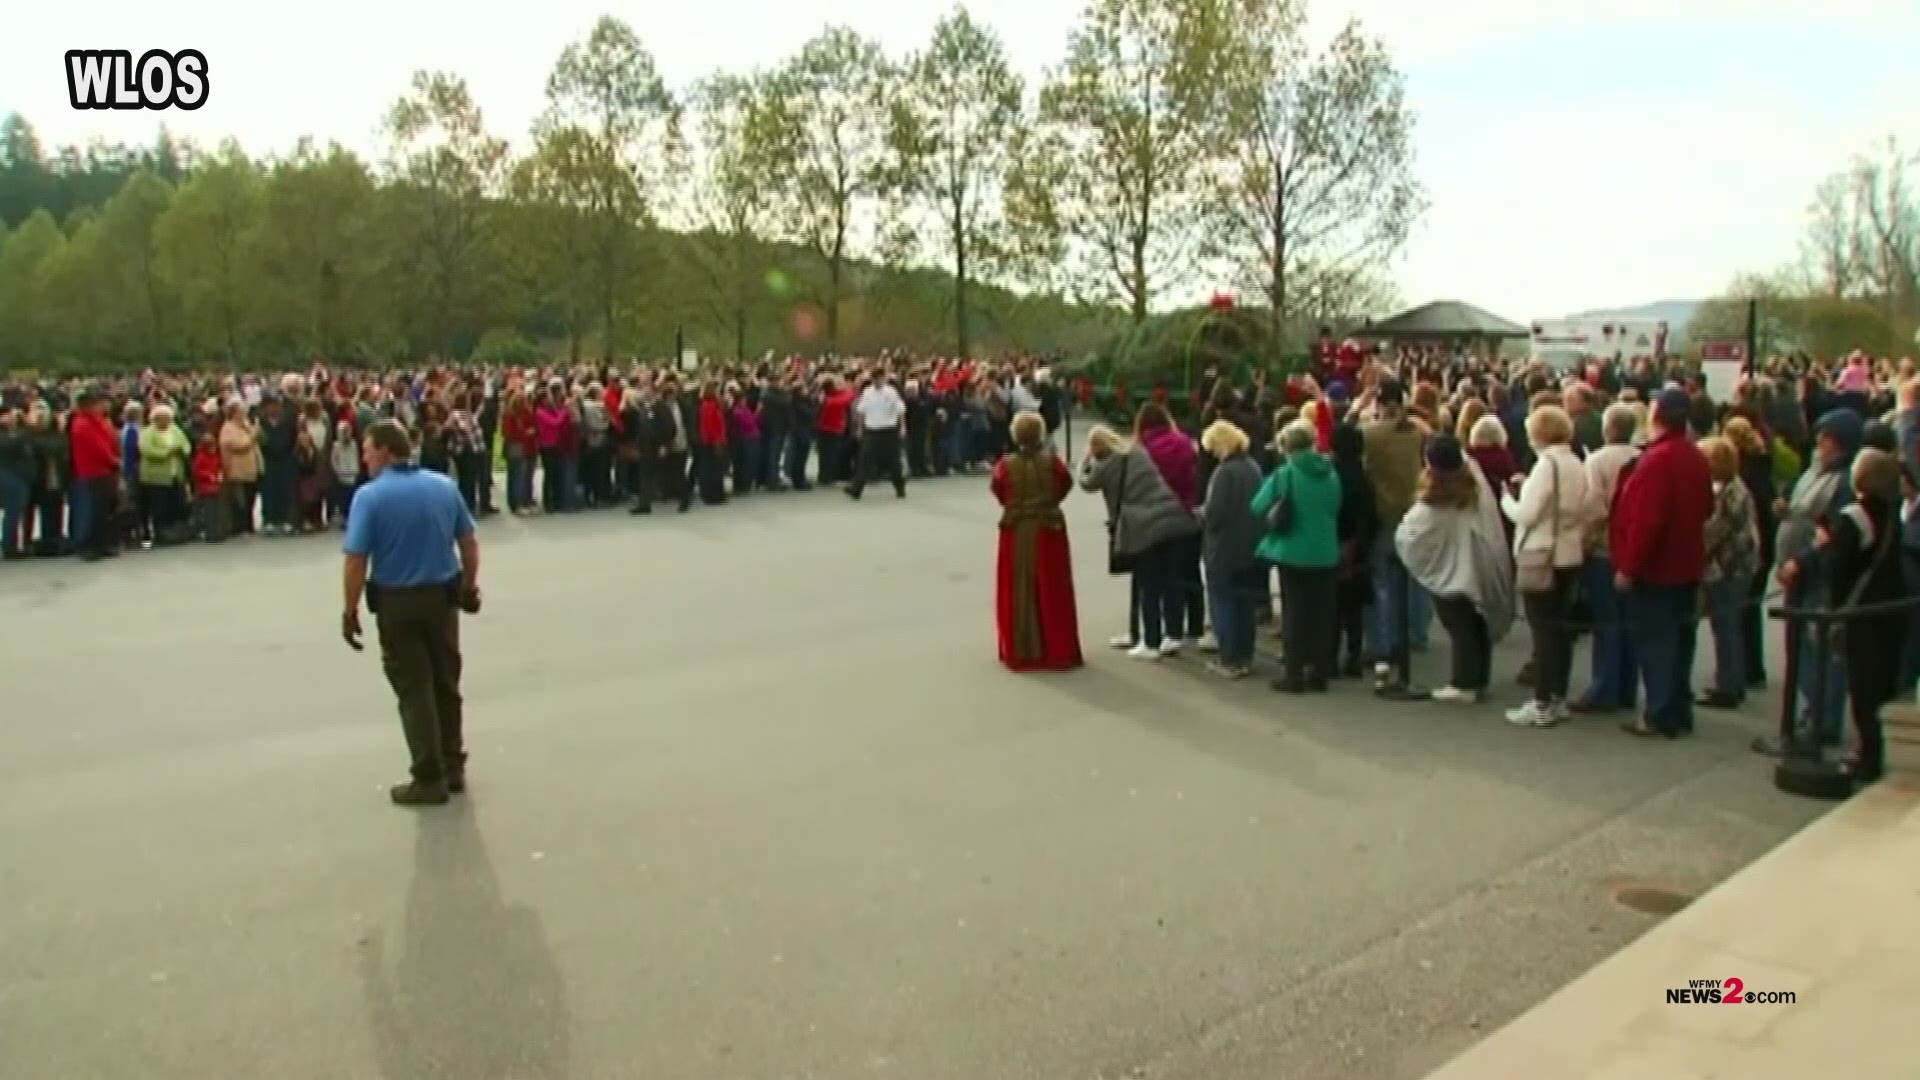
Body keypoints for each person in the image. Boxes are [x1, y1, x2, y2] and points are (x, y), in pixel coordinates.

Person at [341, 420, 482, 808]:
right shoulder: (442, 486)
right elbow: (468, 542)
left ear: (386, 451)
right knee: (445, 681)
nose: (365, 457)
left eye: (368, 450)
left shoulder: (369, 498)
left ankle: (428, 774)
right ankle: (453, 764)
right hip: (441, 597)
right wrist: (470, 586)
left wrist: (349, 609)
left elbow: (356, 560)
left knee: (413, 688)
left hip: (397, 600)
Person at [1611, 388, 1715, 739]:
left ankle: (1659, 712)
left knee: (1657, 643)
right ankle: (1677, 708)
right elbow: (1706, 508)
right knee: (1680, 641)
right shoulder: (1694, 456)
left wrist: (1628, 566)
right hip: (1686, 563)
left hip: (1658, 568)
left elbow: (1646, 521)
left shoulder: (1658, 460)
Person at [1395, 435, 1515, 703]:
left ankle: (1464, 682)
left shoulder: (1436, 495)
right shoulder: (1474, 482)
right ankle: (1478, 677)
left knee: (1458, 624)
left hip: (1450, 570)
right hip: (1477, 561)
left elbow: (1411, 533)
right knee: (1475, 623)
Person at [1818, 447, 1907, 784]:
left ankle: (1866, 756)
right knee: (1882, 686)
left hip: (1863, 612)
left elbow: (1839, 569)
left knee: (1864, 689)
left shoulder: (1855, 516)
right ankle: (1874, 750)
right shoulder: (1893, 513)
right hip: (1889, 613)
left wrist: (1826, 544)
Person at [1500, 404, 1590, 727]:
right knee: (1560, 630)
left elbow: (1527, 514)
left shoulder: (1546, 466)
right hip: (1569, 551)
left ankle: (1540, 702)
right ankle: (1557, 698)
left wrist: (1506, 500)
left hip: (1541, 552)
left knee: (1543, 632)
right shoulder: (1576, 462)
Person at [1079, 424, 1200, 661]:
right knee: (1171, 580)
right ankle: (1173, 634)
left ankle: (1150, 642)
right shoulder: (1138, 452)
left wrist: (1086, 462)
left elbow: (1086, 483)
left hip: (1144, 527)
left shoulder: (1104, 466)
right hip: (1174, 517)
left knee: (1148, 584)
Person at [1253, 420, 1343, 692]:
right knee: (1321, 613)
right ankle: (1319, 672)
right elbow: (1335, 507)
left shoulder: (1284, 475)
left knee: (1295, 613)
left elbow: (1257, 506)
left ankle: (1293, 674)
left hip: (1292, 551)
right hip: (1326, 551)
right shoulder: (1331, 473)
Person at [991, 411, 1083, 672]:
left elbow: (998, 491)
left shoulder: (1004, 466)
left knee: (1018, 587)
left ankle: (1022, 649)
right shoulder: (1054, 463)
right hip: (1048, 526)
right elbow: (1065, 485)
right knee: (1052, 587)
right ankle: (1058, 648)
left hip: (1016, 528)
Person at [1697, 436, 1762, 710]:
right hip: (1739, 564)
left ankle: (1729, 685)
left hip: (1729, 567)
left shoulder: (1727, 494)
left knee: (1726, 628)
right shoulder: (1735, 487)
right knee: (1728, 627)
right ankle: (1732, 680)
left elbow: (1714, 533)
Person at [1198, 419, 1264, 678]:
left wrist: (1200, 514)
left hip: (1225, 548)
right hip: (1250, 546)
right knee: (1245, 606)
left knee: (1223, 604)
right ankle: (1245, 657)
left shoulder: (1224, 473)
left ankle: (1229, 659)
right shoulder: (1252, 467)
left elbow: (1215, 513)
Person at [848, 373, 907, 500]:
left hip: (889, 430)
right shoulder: (868, 392)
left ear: (884, 379)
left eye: (881, 378)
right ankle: (856, 490)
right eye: (875, 379)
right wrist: (859, 428)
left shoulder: (891, 392)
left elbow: (900, 410)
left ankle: (900, 488)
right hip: (872, 430)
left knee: (894, 462)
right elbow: (861, 411)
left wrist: (902, 427)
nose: (878, 381)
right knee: (864, 460)